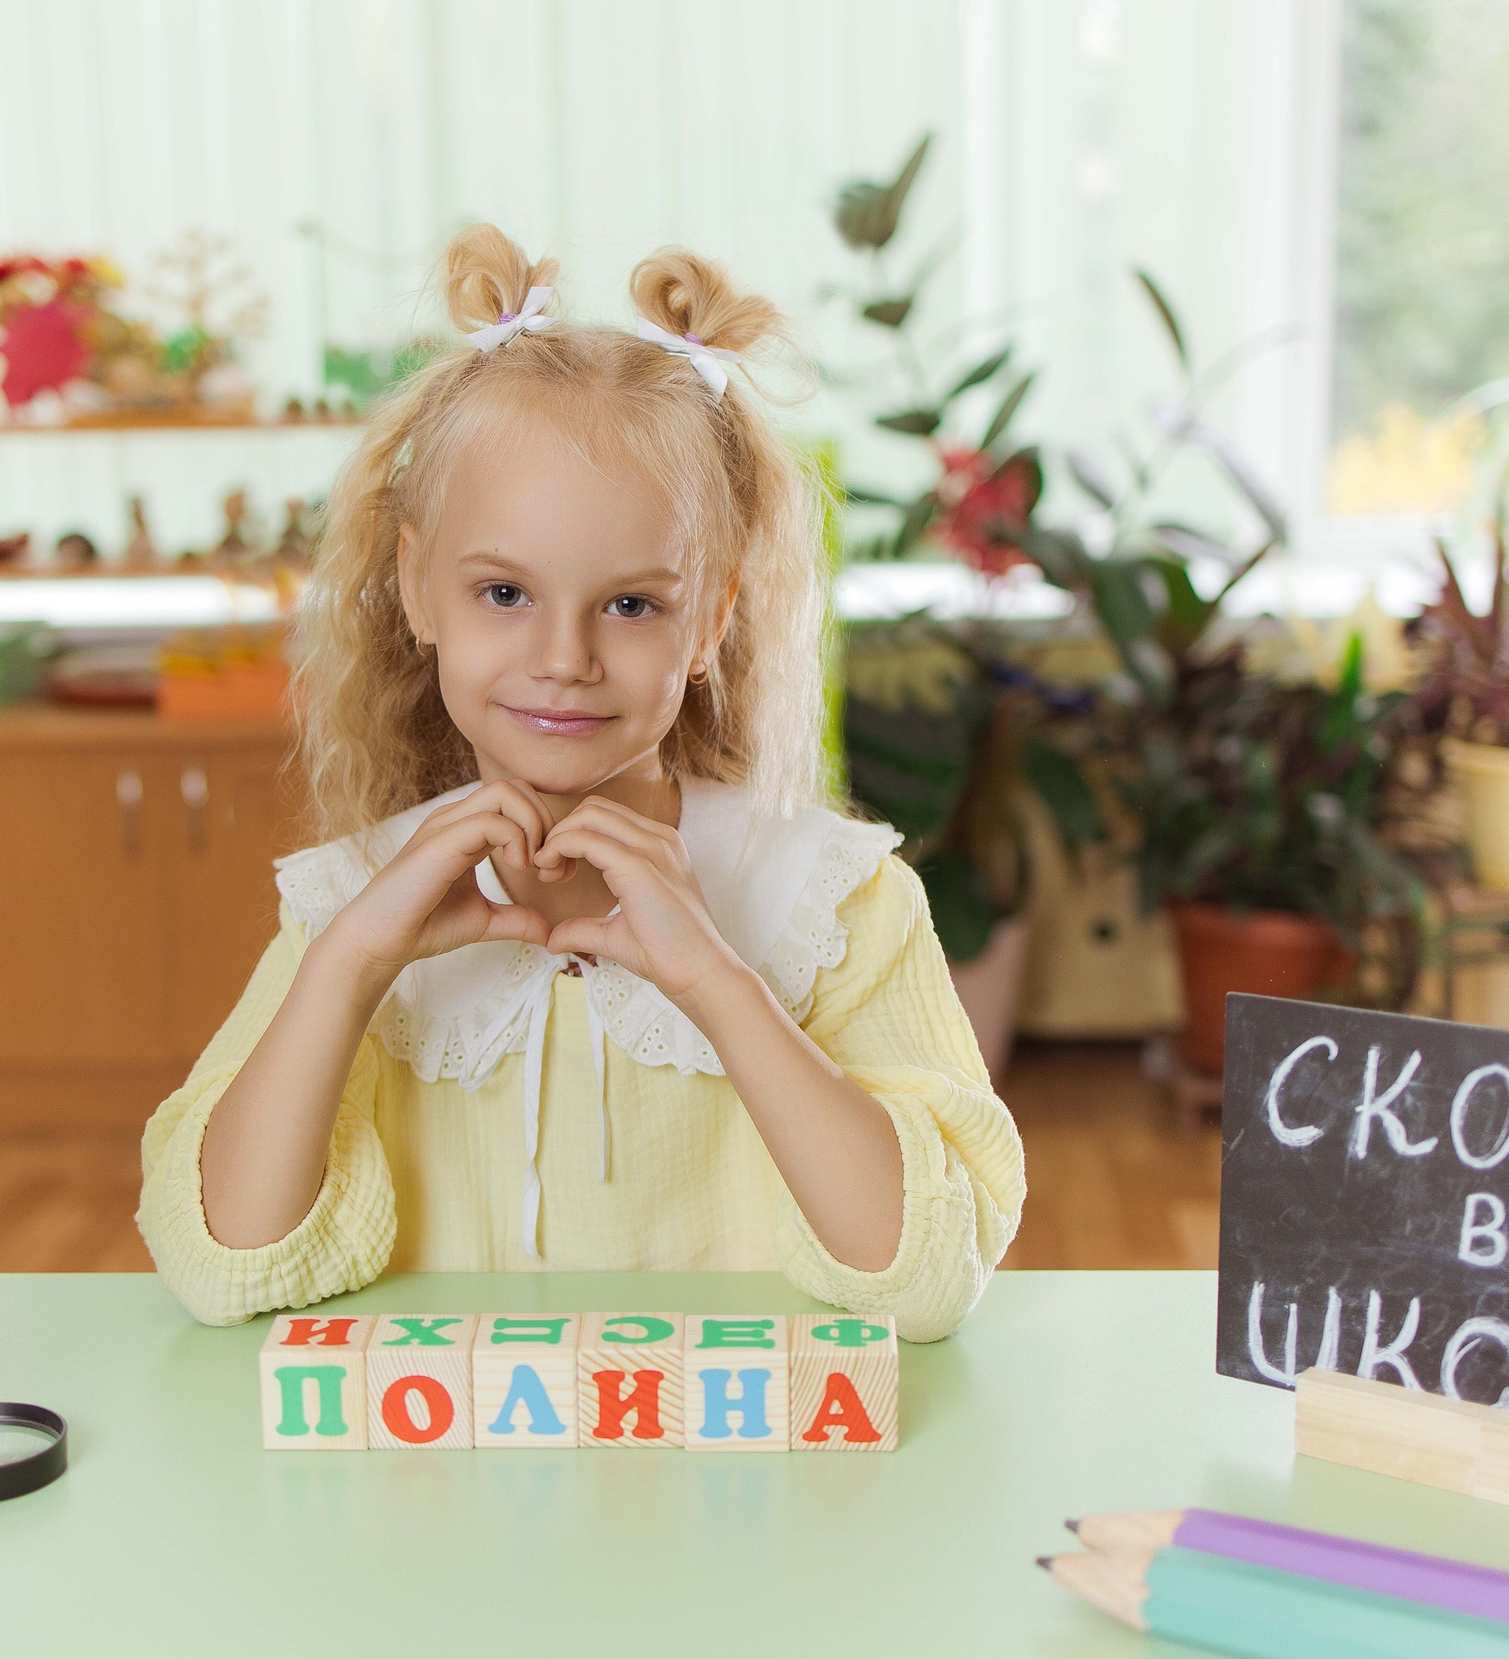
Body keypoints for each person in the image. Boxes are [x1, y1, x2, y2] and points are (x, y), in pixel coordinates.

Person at [137, 225, 1024, 1341]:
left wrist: (716, 978)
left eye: (632, 604)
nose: (564, 657)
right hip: (436, 1498)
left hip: (743, 1499)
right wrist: (351, 962)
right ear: (416, 589)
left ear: (710, 620)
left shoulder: (834, 903)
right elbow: (220, 1262)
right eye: (503, 593)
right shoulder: (349, 904)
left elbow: (930, 1279)